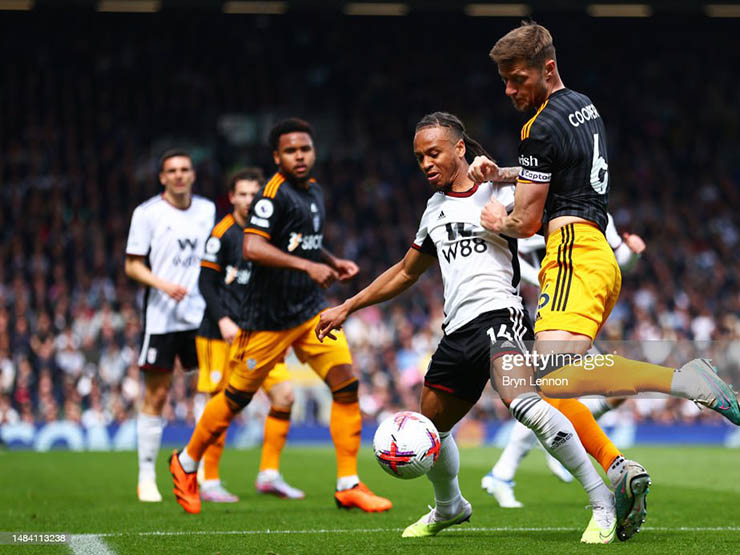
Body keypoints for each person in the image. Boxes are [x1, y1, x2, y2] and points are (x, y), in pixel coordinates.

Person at [468, 21, 740, 540]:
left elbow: (524, 222)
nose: (509, 90)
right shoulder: (584, 106)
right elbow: (553, 170)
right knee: (555, 381)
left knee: (546, 378)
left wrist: (493, 220)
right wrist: (500, 174)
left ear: (547, 69)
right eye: (503, 80)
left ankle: (681, 386)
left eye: (517, 78)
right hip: (597, 256)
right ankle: (620, 469)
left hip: (570, 255)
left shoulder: (538, 127)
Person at [317, 112, 619, 543]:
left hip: (501, 314)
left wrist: (504, 172)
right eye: (419, 156)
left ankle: (602, 501)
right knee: (432, 425)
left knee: (525, 403)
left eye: (434, 152)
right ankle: (450, 507)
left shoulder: (498, 190)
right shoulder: (434, 210)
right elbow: (405, 272)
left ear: (460, 148)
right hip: (456, 331)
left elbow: (556, 188)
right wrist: (348, 305)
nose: (425, 163)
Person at [169, 118, 392, 515]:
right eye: (291, 151)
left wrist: (329, 260)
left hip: (309, 312)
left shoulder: (313, 192)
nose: (300, 156)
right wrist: (308, 269)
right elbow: (254, 248)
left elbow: (303, 243)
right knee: (235, 398)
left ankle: (348, 484)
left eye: (305, 149)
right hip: (267, 319)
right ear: (277, 157)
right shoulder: (271, 196)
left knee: (346, 385)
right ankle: (186, 463)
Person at [483, 216, 646, 508]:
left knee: (620, 388)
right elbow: (510, 255)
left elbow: (617, 262)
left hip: (578, 312)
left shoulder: (599, 213)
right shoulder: (534, 204)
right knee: (547, 395)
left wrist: (632, 253)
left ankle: (554, 441)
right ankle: (503, 474)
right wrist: (549, 278)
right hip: (545, 314)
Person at [195, 167, 303, 502]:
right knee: (223, 407)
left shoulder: (270, 233)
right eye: (241, 194)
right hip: (219, 333)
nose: (247, 200)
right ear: (231, 197)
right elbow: (206, 283)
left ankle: (269, 475)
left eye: (253, 194)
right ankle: (209, 481)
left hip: (262, 333)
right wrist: (224, 320)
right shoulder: (223, 233)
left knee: (284, 395)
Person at [125, 150, 215, 502]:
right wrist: (163, 284)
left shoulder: (207, 210)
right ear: (162, 177)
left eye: (184, 170)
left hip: (201, 314)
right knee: (157, 394)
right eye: (172, 171)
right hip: (162, 316)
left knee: (206, 392)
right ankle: (146, 476)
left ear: (193, 174)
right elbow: (132, 265)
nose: (179, 176)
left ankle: (201, 469)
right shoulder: (147, 213)